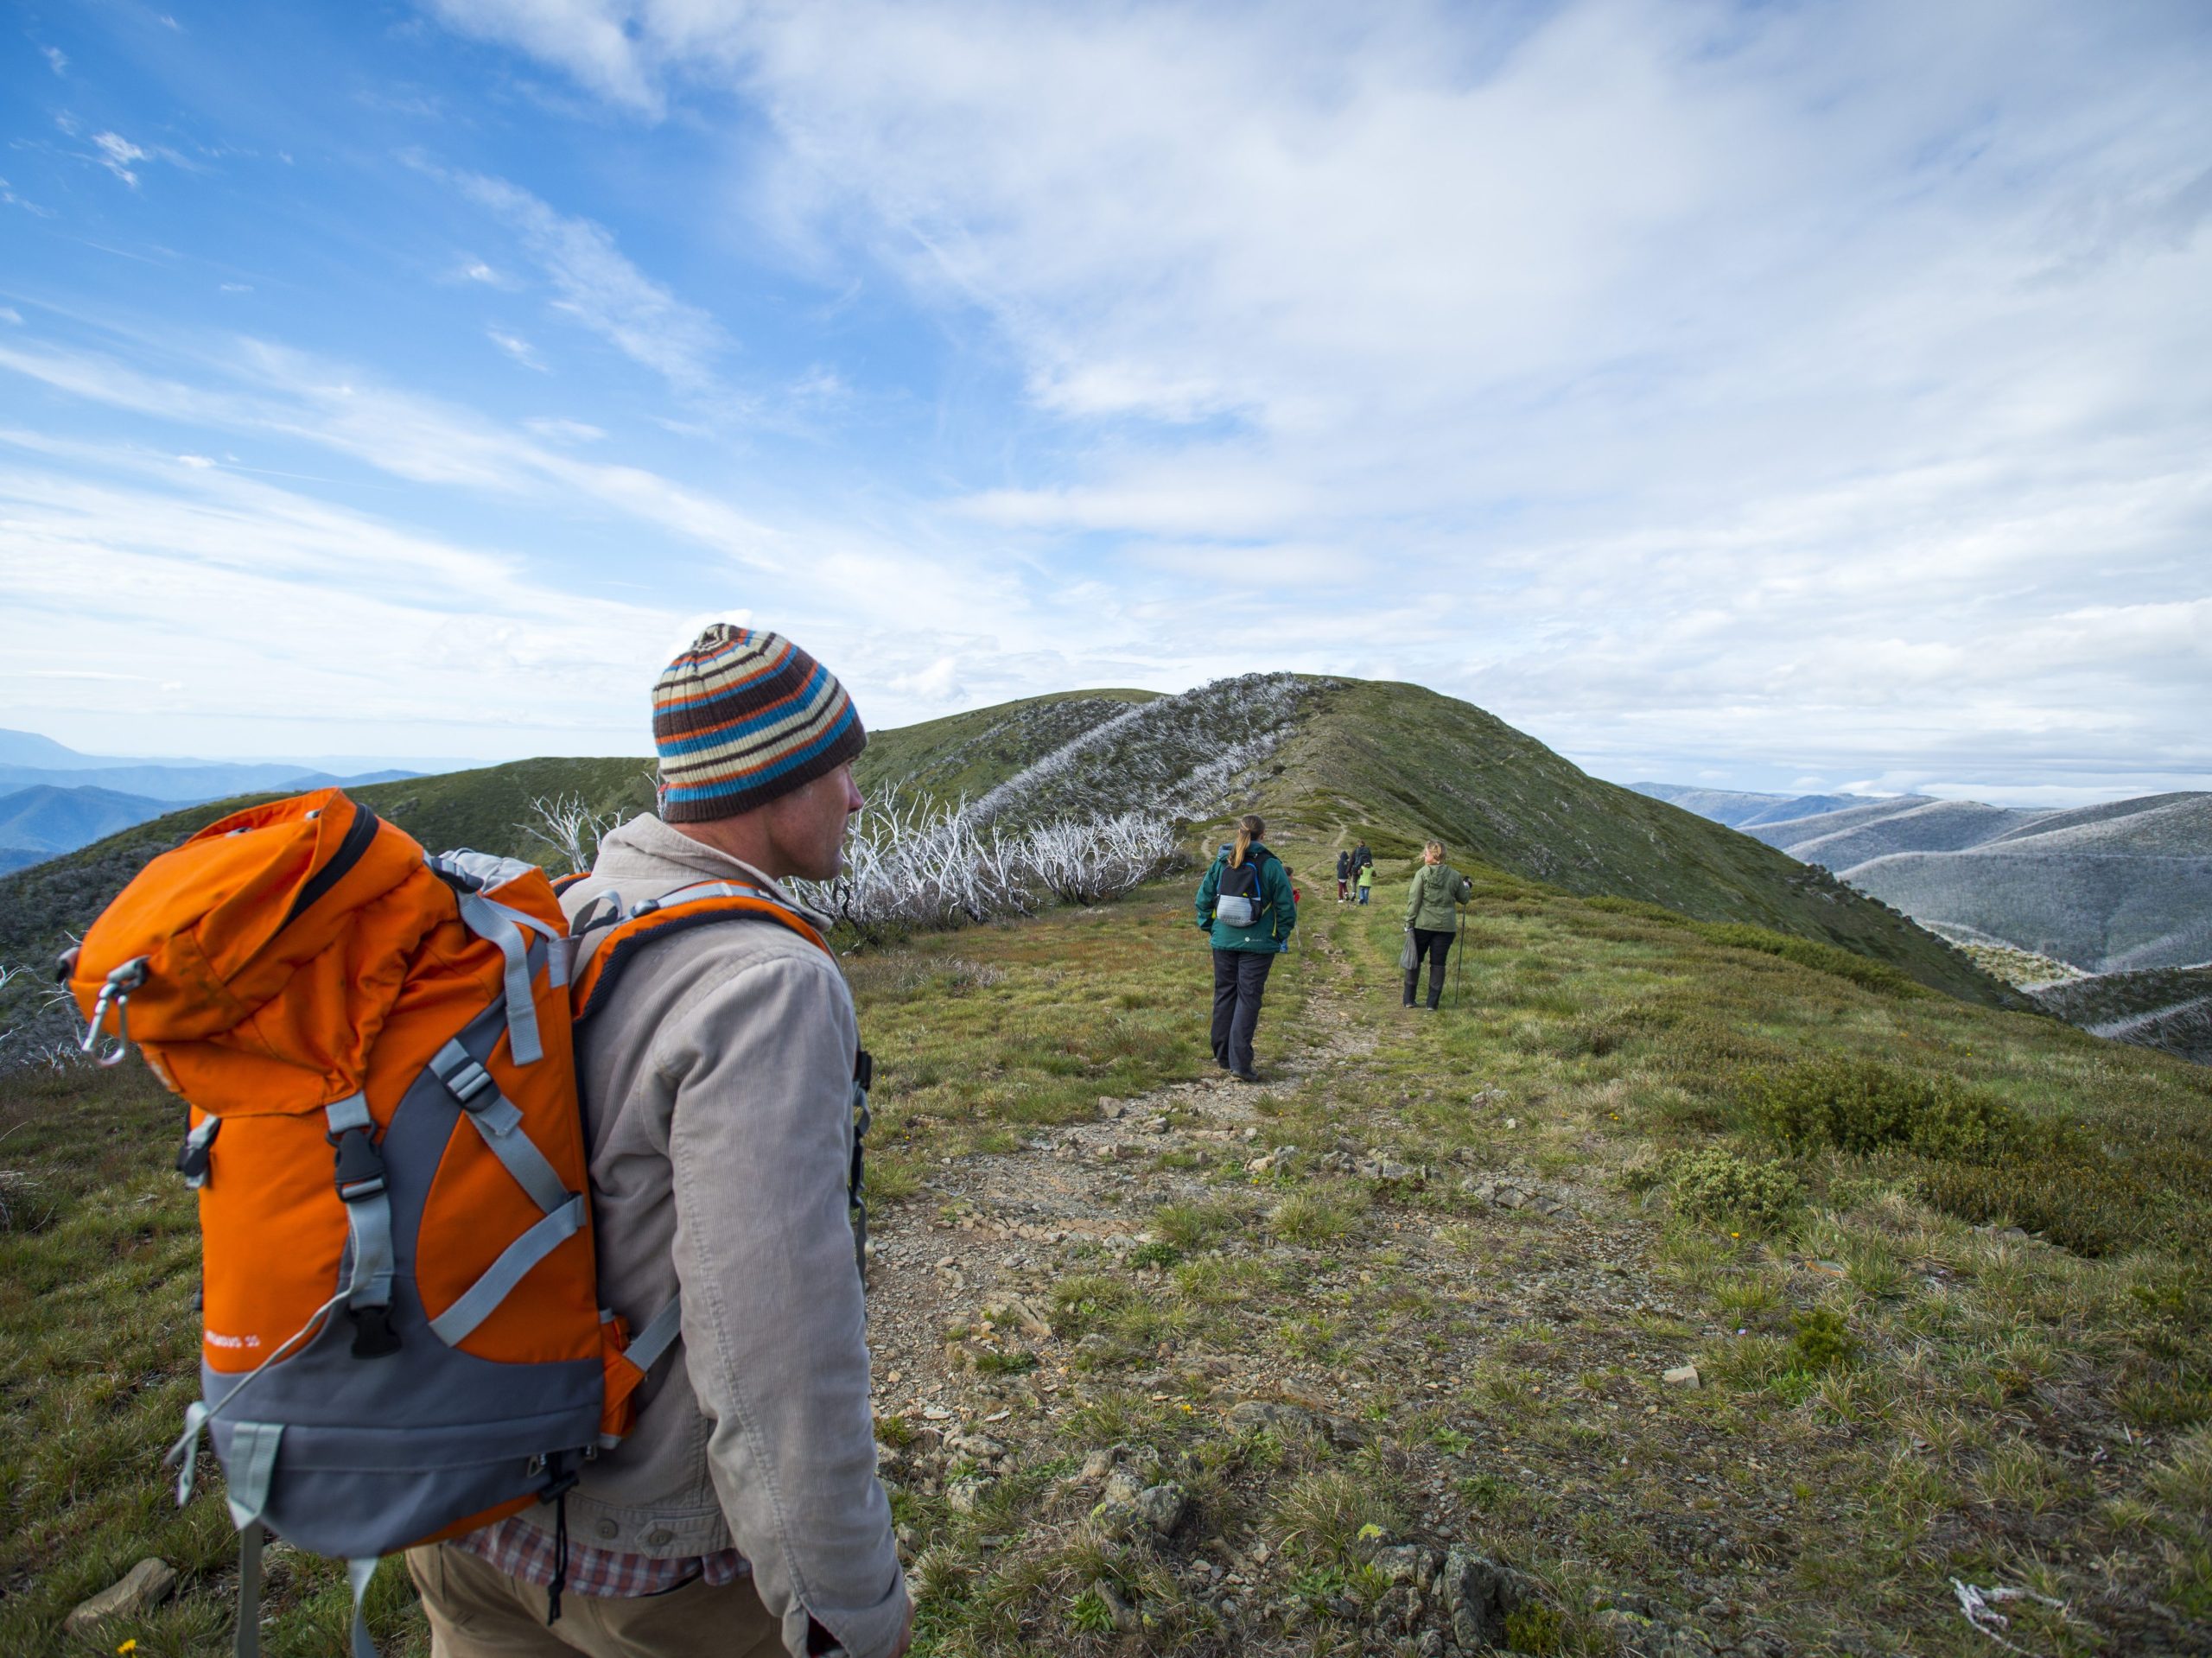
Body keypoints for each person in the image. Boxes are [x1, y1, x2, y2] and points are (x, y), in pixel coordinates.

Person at [407, 623, 912, 1658]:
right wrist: (847, 1605)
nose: (857, 796)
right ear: (776, 780)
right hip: (650, 1574)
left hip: (465, 1516)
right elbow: (773, 1332)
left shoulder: (557, 916)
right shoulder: (765, 983)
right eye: (842, 766)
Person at [1195, 813, 1297, 1082]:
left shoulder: (1222, 861)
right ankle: (1241, 1063)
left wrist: (1211, 927)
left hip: (1223, 941)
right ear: (1263, 836)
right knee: (1248, 998)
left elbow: (1203, 899)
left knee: (1224, 995)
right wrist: (1279, 935)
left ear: (1239, 833)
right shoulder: (1271, 865)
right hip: (1259, 944)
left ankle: (1223, 1057)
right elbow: (1287, 906)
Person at [1403, 839, 1475, 1011]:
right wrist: (1466, 887)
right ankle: (1432, 1004)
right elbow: (1464, 899)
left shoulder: (1421, 873)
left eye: (1426, 854)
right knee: (1438, 963)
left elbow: (1414, 900)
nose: (1423, 856)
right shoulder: (1455, 875)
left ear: (1434, 856)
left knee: (1415, 961)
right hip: (1445, 927)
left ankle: (1409, 1000)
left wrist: (1409, 922)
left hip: (1422, 924)